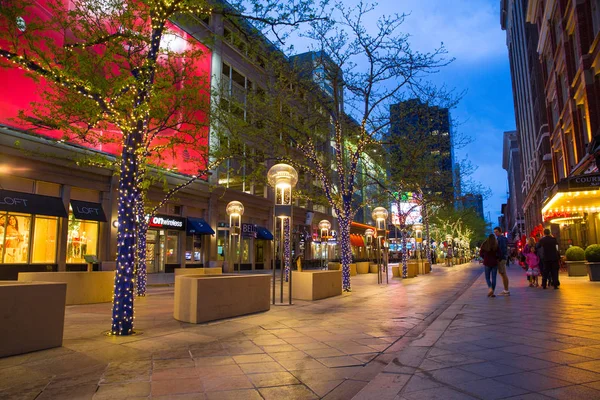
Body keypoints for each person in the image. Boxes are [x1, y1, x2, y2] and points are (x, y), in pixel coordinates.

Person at [494, 227, 510, 295]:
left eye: (497, 231)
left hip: (501, 258)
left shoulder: (501, 238)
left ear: (500, 231)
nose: (495, 233)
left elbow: (502, 249)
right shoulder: (501, 238)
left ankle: (506, 290)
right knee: (502, 274)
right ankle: (506, 290)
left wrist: (499, 258)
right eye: (494, 232)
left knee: (503, 274)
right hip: (502, 258)